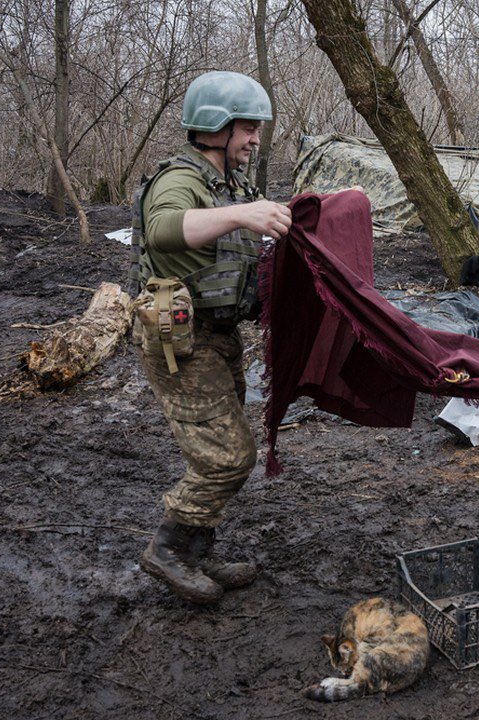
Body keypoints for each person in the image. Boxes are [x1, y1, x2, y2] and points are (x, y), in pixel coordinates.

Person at [127, 71, 293, 605]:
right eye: (249, 128)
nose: (256, 140)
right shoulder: (180, 179)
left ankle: (197, 552)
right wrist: (242, 214)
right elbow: (163, 230)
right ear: (217, 126)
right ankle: (168, 550)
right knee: (227, 455)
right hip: (181, 341)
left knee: (220, 450)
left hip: (219, 337)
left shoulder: (231, 184)